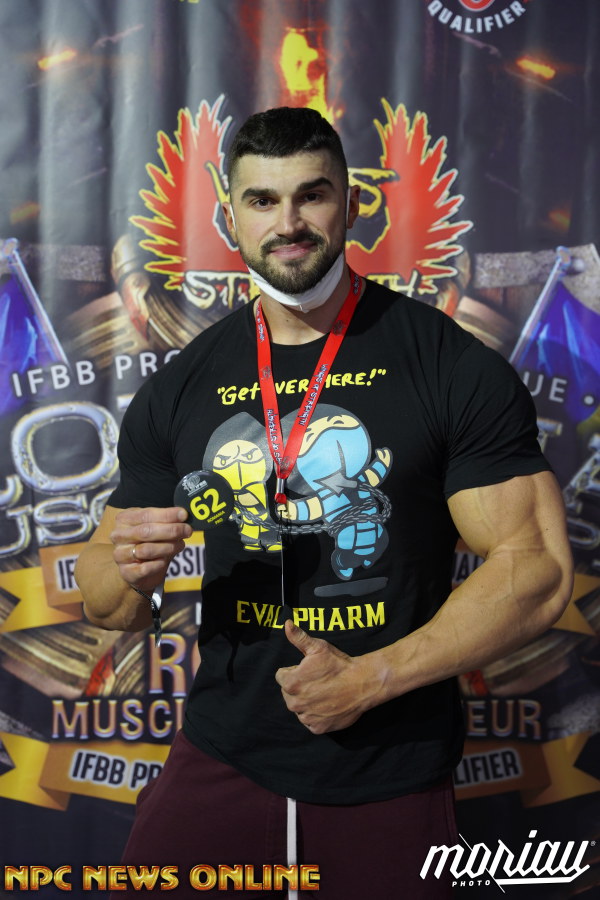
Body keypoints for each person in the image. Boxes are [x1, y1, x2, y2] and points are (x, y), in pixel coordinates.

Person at [74, 107, 573, 898]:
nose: (289, 223)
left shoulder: (448, 364)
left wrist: (375, 678)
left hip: (390, 765)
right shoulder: (181, 386)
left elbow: (537, 569)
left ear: (351, 203)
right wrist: (130, 570)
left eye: (312, 195)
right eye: (263, 200)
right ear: (228, 215)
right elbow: (109, 602)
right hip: (224, 751)